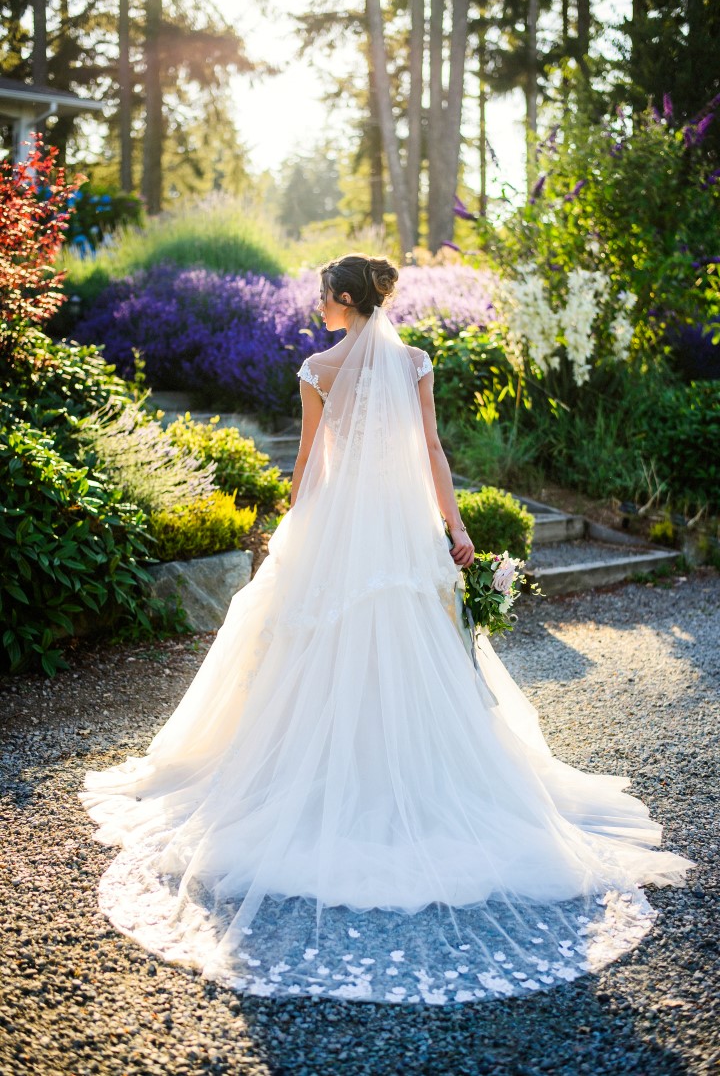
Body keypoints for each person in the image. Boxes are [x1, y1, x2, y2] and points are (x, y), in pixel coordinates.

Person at [80, 253, 694, 1006]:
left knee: (319, 647)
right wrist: (455, 525)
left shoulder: (318, 369)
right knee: (411, 647)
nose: (320, 308)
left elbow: (308, 462)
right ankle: (412, 773)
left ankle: (327, 775)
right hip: (399, 533)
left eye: (324, 297)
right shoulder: (413, 360)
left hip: (340, 531)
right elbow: (431, 449)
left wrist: (290, 532)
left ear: (343, 299)